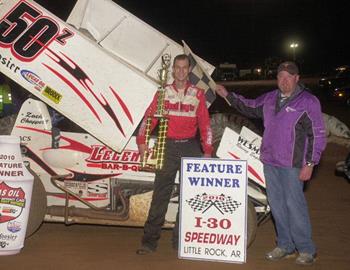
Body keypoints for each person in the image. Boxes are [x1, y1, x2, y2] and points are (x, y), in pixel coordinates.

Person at [216, 61, 326, 266]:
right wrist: (227, 95)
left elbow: (317, 135)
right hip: (270, 161)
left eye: (289, 76)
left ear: (297, 78)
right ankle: (285, 245)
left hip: (293, 164)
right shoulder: (269, 98)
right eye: (281, 76)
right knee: (276, 206)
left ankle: (306, 249)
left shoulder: (308, 102)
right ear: (277, 79)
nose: (284, 80)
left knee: (295, 206)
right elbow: (249, 106)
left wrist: (310, 163)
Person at [136, 54, 213, 255]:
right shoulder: (163, 93)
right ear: (172, 71)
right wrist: (142, 141)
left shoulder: (198, 94)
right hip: (166, 147)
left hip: (190, 147)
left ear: (188, 70)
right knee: (160, 195)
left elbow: (205, 124)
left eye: (184, 67)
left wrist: (207, 151)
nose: (180, 71)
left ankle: (181, 242)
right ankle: (149, 242)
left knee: (190, 197)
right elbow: (149, 118)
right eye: (177, 67)